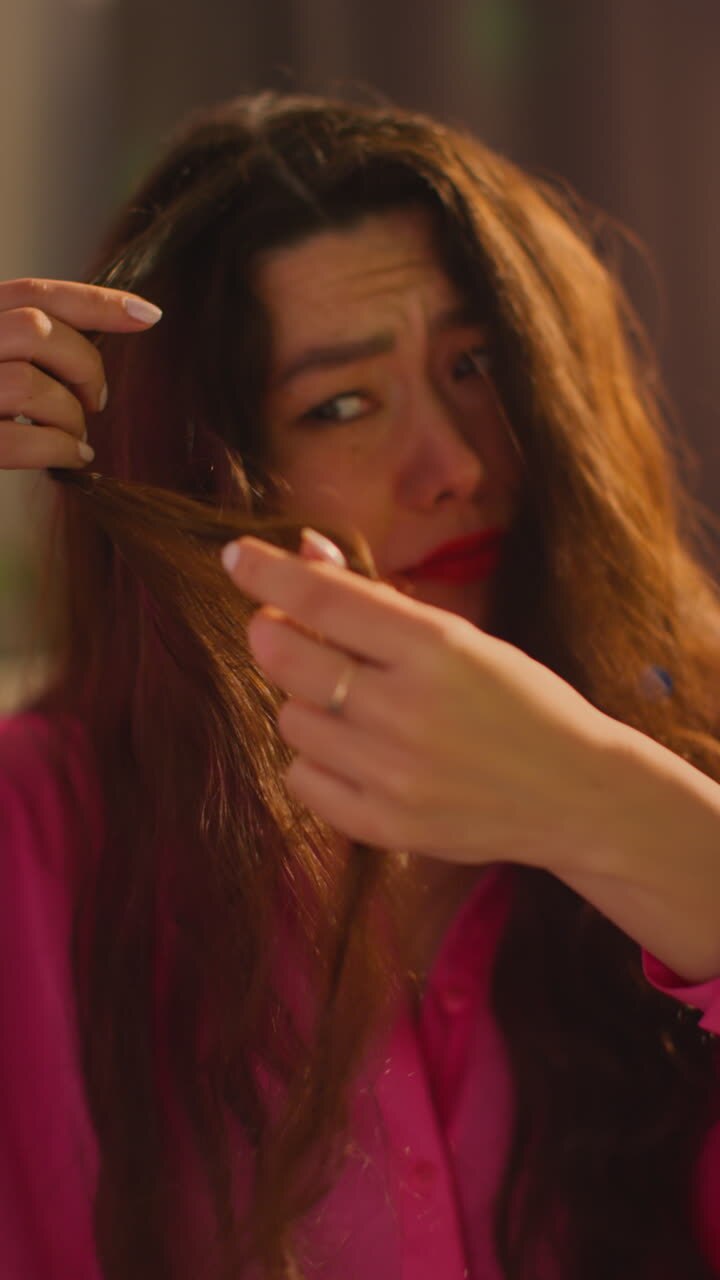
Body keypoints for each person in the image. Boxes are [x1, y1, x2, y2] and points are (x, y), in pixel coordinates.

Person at [0, 92, 719, 1280]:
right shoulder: (39, 832)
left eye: (478, 365)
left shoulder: (683, 734)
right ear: (199, 472)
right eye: (340, 404)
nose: (459, 465)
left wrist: (609, 805)